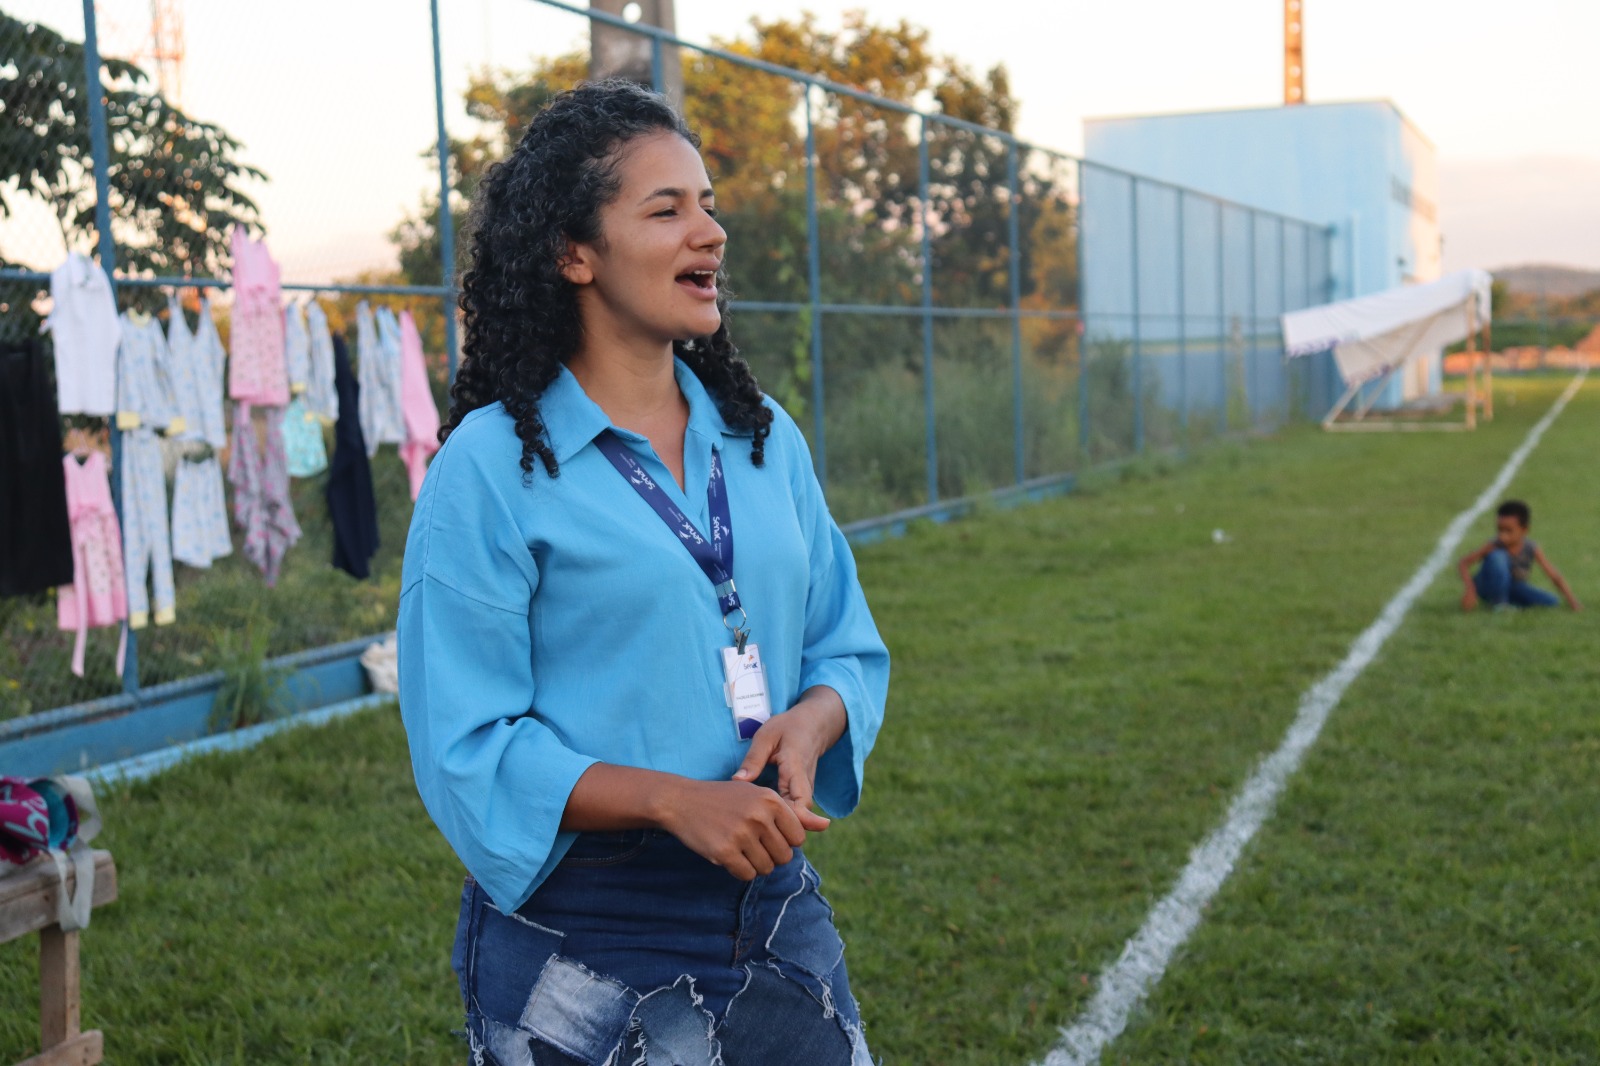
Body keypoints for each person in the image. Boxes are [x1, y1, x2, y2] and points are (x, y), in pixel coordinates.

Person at [396, 80, 889, 1066]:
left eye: (708, 205)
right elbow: (467, 740)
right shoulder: (489, 468)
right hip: (583, 924)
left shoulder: (763, 436)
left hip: (770, 896)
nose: (709, 232)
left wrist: (812, 719)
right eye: (666, 210)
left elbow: (845, 642)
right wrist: (672, 799)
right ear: (572, 253)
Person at [1458, 499, 1581, 612]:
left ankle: (1509, 603)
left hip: (1513, 587)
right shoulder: (1494, 545)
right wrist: (1470, 589)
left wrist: (1572, 601)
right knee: (1498, 557)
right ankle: (1499, 604)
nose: (1502, 535)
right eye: (1499, 529)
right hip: (1487, 586)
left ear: (1524, 530)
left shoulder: (1531, 548)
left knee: (1551, 601)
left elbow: (1553, 575)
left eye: (1508, 531)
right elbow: (1463, 563)